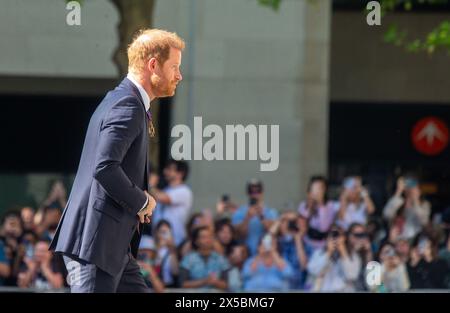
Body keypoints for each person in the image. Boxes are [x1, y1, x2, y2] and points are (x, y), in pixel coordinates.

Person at [50, 28, 185, 292]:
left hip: (111, 249)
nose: (179, 75)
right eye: (175, 67)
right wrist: (143, 201)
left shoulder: (124, 100)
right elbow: (105, 167)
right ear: (153, 65)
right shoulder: (128, 104)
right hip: (95, 247)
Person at [150, 159, 193, 246]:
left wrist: (150, 184)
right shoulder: (165, 190)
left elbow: (163, 198)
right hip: (158, 242)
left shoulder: (184, 191)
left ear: (180, 173)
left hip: (175, 243)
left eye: (170, 169)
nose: (165, 171)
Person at [306, 225, 361, 292]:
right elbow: (313, 271)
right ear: (327, 238)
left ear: (344, 238)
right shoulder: (319, 253)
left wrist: (342, 251)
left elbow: (352, 276)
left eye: (339, 235)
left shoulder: (353, 255)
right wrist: (328, 253)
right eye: (332, 235)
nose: (335, 238)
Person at [232, 179, 279, 256]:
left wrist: (262, 216)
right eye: (251, 191)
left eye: (258, 191)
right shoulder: (239, 213)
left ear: (262, 192)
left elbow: (273, 232)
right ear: (248, 193)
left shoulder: (271, 212)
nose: (255, 194)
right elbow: (240, 235)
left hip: (266, 255)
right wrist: (247, 218)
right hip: (246, 255)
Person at [297, 175, 339, 254]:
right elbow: (302, 225)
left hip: (324, 247)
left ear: (325, 189)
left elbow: (323, 227)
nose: (317, 191)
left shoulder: (330, 206)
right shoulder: (303, 205)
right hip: (306, 244)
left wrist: (320, 204)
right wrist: (310, 205)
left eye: (320, 188)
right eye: (314, 188)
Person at [179, 226, 230, 290]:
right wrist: (203, 281)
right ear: (196, 241)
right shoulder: (188, 259)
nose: (207, 240)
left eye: (210, 237)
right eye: (203, 237)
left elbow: (226, 285)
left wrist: (215, 282)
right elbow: (182, 284)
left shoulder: (221, 259)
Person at [271, 212, 308, 289]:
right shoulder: (280, 241)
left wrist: (298, 240)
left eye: (301, 225)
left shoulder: (308, 246)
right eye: (295, 223)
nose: (298, 227)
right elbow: (268, 238)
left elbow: (303, 266)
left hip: (296, 286)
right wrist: (281, 218)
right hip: (278, 284)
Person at [153, 220, 179, 287]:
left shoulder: (172, 250)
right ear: (156, 233)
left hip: (168, 286)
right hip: (153, 285)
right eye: (162, 232)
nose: (164, 235)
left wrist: (172, 249)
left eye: (166, 232)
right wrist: (158, 248)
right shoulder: (150, 247)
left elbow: (175, 272)